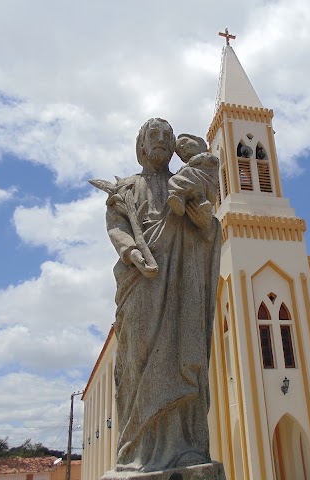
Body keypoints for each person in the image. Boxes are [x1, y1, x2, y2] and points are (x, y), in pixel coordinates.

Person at [97, 118, 221, 473]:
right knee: (138, 362)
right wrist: (132, 253)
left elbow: (208, 230)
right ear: (141, 145)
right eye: (155, 135)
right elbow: (118, 228)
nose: (163, 141)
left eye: (168, 136)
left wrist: (202, 220)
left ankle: (185, 447)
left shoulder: (184, 182)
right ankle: (137, 450)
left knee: (180, 356)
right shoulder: (126, 189)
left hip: (182, 284)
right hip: (141, 285)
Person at [167, 133, 219, 217]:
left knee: (187, 172)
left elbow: (210, 160)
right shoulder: (188, 167)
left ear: (199, 142)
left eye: (184, 141)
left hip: (208, 190)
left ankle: (202, 201)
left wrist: (194, 161)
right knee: (172, 180)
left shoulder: (208, 157)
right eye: (180, 150)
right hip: (194, 194)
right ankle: (180, 200)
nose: (183, 146)